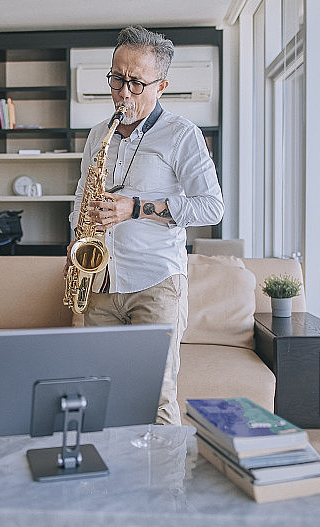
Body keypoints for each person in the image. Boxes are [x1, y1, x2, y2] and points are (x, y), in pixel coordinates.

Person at [68, 25, 224, 425]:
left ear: (162, 85)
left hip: (156, 284)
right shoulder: (97, 134)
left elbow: (211, 208)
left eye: (135, 83)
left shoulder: (183, 135)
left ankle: (165, 489)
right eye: (116, 79)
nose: (123, 93)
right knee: (104, 397)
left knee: (155, 400)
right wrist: (78, 240)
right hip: (101, 282)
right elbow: (82, 196)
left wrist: (135, 207)